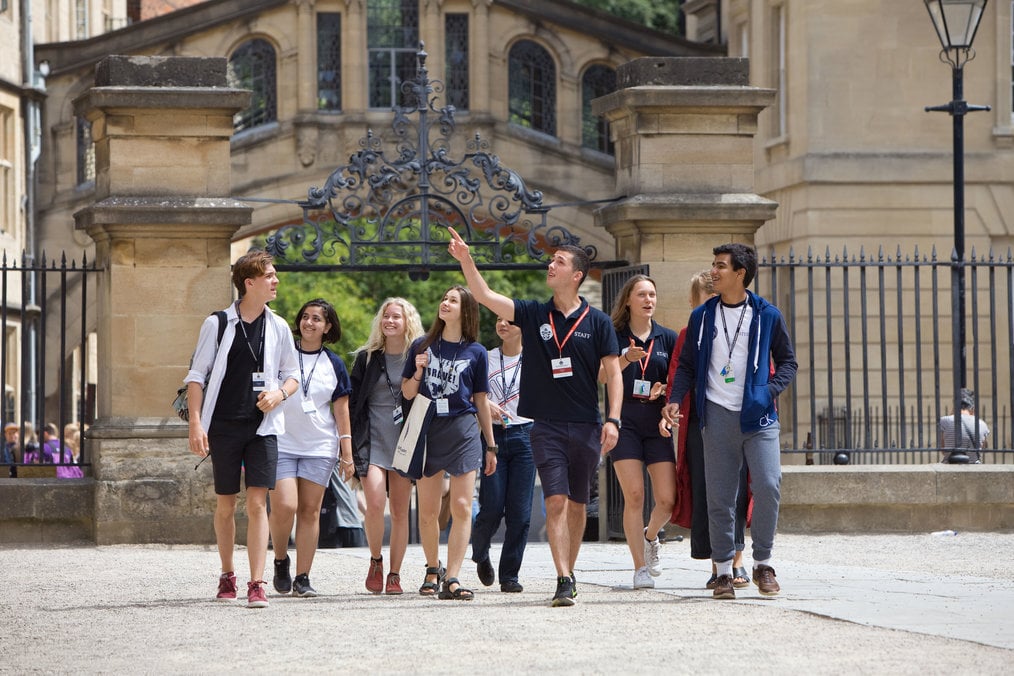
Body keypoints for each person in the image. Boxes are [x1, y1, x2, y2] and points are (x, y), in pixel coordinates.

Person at [447, 227, 623, 607]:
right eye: (551, 260)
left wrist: (613, 419)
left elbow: (615, 372)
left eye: (558, 261)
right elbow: (485, 296)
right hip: (545, 426)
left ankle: (570, 572)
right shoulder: (532, 312)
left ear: (576, 275)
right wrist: (466, 259)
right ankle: (562, 578)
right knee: (556, 502)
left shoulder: (598, 322)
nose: (550, 264)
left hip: (587, 425)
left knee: (578, 504)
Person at [662, 243, 797, 600]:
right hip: (716, 413)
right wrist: (674, 399)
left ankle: (763, 562)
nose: (713, 272)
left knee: (768, 484)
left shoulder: (767, 314)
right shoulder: (702, 316)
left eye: (720, 266)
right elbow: (688, 365)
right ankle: (723, 571)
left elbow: (788, 362)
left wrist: (768, 391)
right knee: (720, 496)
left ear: (740, 273)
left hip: (760, 415)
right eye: (713, 265)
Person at [185, 249, 300, 609]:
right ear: (249, 283)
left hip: (263, 426)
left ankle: (257, 583)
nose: (276, 281)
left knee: (256, 503)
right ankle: (227, 573)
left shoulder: (279, 326)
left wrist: (279, 394)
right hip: (223, 425)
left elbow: (293, 375)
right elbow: (196, 376)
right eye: (270, 276)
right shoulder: (217, 323)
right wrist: (195, 424)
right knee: (224, 504)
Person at [400, 285, 496, 601]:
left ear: (465, 310)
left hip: (464, 430)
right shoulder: (421, 344)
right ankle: (432, 567)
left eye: (452, 300)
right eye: (443, 298)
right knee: (427, 511)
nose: (445, 303)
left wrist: (491, 445)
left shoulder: (477, 352)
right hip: (429, 429)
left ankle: (453, 577)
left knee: (462, 505)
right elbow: (407, 393)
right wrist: (418, 370)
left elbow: (481, 400)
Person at [662, 270, 751, 589]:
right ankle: (719, 565)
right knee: (709, 491)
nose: (716, 304)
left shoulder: (745, 327)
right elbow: (678, 373)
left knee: (738, 490)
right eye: (708, 299)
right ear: (694, 303)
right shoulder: (690, 333)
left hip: (739, 420)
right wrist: (672, 404)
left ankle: (737, 559)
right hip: (702, 423)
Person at [269, 298, 353, 598]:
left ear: (327, 326)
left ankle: (302, 577)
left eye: (317, 319)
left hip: (320, 445)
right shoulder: (282, 354)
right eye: (305, 317)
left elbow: (341, 410)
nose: (309, 322)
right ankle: (281, 559)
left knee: (309, 511)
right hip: (281, 441)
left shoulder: (335, 364)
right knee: (285, 505)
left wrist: (347, 454)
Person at [604, 274, 678, 589]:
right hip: (625, 419)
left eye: (652, 294)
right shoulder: (613, 334)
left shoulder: (668, 338)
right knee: (635, 495)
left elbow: (677, 381)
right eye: (642, 295)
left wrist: (664, 393)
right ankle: (639, 568)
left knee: (667, 500)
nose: (648, 300)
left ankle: (650, 537)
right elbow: (599, 375)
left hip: (656, 421)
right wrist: (624, 359)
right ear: (628, 301)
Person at [350, 297, 425, 595]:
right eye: (386, 316)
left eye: (397, 317)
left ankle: (394, 574)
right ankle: (376, 560)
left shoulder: (418, 356)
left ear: (407, 322)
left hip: (405, 442)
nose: (390, 321)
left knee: (400, 511)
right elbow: (354, 403)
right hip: (373, 441)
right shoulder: (367, 358)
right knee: (375, 503)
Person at [471, 316, 536, 593]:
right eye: (498, 319)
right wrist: (487, 404)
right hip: (493, 435)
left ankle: (509, 574)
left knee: (520, 513)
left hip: (525, 435)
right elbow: (473, 393)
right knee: (492, 507)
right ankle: (480, 552)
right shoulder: (486, 357)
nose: (502, 324)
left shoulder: (534, 359)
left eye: (509, 320)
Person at [938, 388, 989, 464]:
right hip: (974, 467)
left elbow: (943, 450)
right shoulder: (982, 424)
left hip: (950, 466)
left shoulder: (945, 421)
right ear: (972, 407)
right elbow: (983, 447)